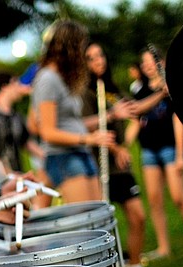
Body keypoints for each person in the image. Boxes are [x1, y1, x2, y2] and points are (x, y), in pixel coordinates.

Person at [125, 46, 183, 261]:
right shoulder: (140, 90)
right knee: (154, 200)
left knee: (178, 197)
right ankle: (163, 248)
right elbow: (136, 120)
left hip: (170, 149)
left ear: (159, 62)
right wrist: (124, 146)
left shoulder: (171, 88)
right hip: (148, 151)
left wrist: (181, 154)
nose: (146, 65)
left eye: (149, 61)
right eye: (142, 62)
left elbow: (178, 120)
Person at [82, 42, 152, 267]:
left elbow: (134, 112)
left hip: (120, 167)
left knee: (138, 216)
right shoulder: (86, 92)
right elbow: (85, 125)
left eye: (100, 54)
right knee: (102, 225)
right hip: (98, 167)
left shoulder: (112, 89)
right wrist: (115, 147)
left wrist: (162, 93)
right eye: (91, 58)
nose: (98, 60)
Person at [30, 19, 116, 204]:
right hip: (63, 156)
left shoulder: (62, 79)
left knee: (98, 213)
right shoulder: (47, 79)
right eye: (80, 47)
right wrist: (89, 138)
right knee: (85, 219)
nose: (82, 53)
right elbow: (47, 132)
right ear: (69, 47)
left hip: (80, 152)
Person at [0, 72, 44, 177]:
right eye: (15, 83)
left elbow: (26, 142)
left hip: (17, 174)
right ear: (4, 86)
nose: (19, 88)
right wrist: (8, 174)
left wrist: (47, 156)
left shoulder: (16, 115)